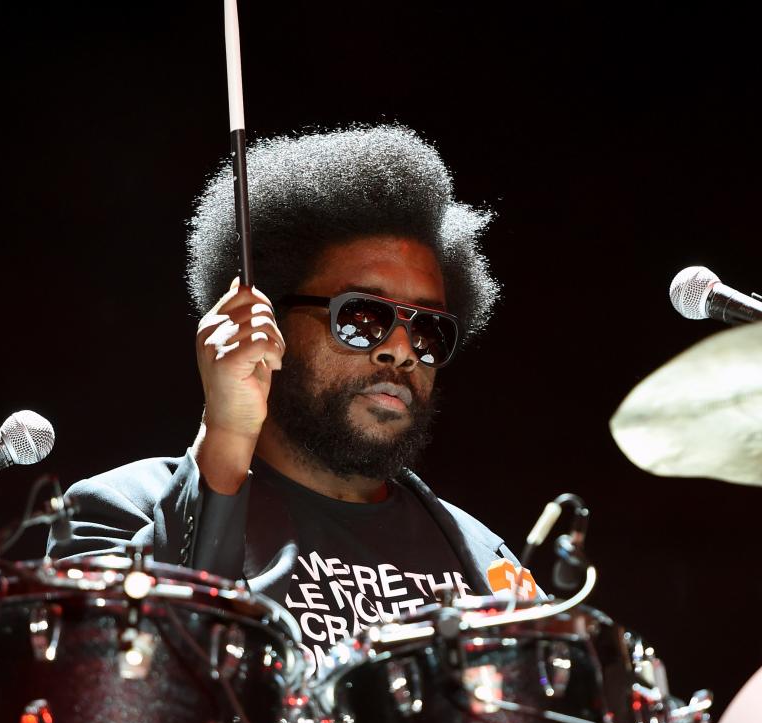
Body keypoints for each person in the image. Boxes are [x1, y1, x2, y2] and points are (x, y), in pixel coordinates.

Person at [49, 125, 536, 663]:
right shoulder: (122, 509)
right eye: (362, 316)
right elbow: (126, 698)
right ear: (269, 321)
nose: (401, 350)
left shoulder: (486, 562)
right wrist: (228, 434)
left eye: (428, 332)